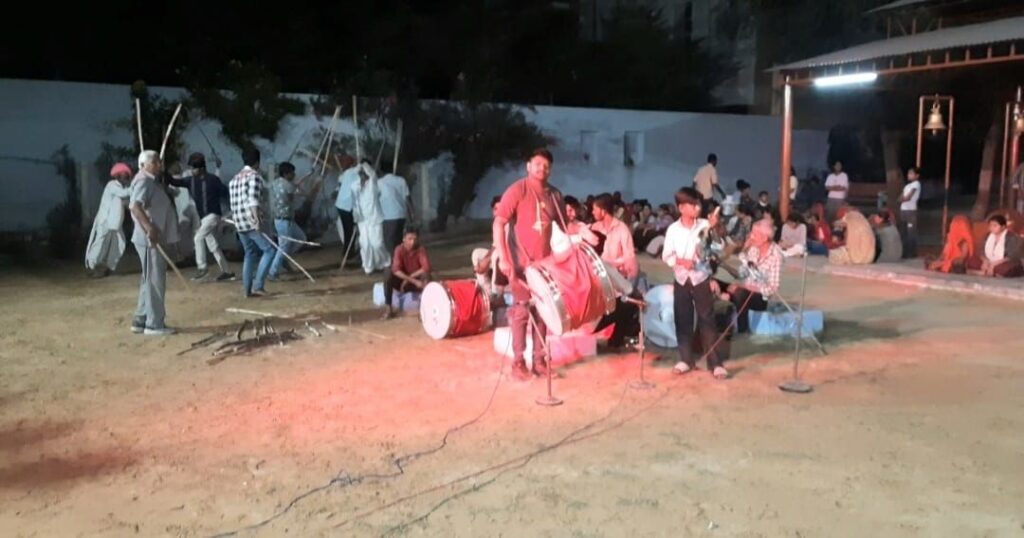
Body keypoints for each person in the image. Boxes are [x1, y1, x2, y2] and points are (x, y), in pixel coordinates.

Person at [493, 148, 564, 380]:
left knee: (544, 312)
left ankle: (540, 361)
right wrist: (504, 258)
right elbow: (499, 223)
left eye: (546, 165)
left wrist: (582, 230)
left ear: (550, 169)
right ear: (528, 166)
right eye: (537, 164)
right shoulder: (517, 190)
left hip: (544, 266)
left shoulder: (555, 195)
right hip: (520, 265)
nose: (542, 168)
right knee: (522, 311)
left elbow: (565, 226)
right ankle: (518, 362)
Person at [662, 187, 727, 380]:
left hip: (701, 278)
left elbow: (718, 248)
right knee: (683, 319)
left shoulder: (705, 225)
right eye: (692, 204)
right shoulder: (673, 229)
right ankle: (685, 359)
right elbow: (667, 255)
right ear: (681, 207)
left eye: (698, 204)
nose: (697, 208)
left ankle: (715, 363)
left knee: (707, 320)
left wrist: (714, 228)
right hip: (682, 279)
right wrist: (682, 261)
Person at [128, 151, 178, 336]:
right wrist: (150, 228)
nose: (159, 164)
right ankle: (154, 324)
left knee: (148, 278)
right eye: (154, 162)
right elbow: (135, 206)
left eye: (159, 161)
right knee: (155, 280)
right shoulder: (143, 181)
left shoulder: (151, 181)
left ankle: (141, 319)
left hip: (152, 238)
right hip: (149, 239)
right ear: (143, 165)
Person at [166, 153, 234, 281]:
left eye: (194, 168)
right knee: (213, 245)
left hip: (213, 215)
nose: (191, 170)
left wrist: (230, 211)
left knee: (198, 238)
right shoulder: (190, 181)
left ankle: (202, 268)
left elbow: (225, 193)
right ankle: (227, 271)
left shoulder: (213, 180)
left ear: (201, 168)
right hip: (204, 219)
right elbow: (174, 181)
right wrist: (163, 172)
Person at [716, 219, 782, 334]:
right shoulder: (753, 249)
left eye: (754, 234)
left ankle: (743, 330)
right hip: (744, 290)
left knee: (740, 293)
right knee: (712, 283)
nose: (750, 236)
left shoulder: (776, 256)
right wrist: (744, 252)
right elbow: (742, 274)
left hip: (760, 298)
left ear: (764, 238)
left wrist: (745, 287)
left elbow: (772, 289)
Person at [229, 147, 275, 298]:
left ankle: (247, 290)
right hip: (250, 221)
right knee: (269, 251)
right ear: (257, 162)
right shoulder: (254, 176)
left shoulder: (234, 179)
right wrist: (256, 219)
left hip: (239, 223)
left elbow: (236, 202)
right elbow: (252, 200)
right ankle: (258, 286)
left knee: (249, 253)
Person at [85, 163, 133, 278]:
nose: (126, 176)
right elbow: (124, 194)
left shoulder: (122, 188)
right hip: (104, 221)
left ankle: (108, 266)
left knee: (119, 243)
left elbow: (127, 202)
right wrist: (136, 186)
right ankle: (91, 266)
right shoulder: (111, 185)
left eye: (127, 174)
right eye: (124, 174)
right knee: (100, 244)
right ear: (117, 175)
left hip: (115, 224)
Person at [267, 162, 306, 281]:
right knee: (284, 247)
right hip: (285, 221)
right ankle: (273, 272)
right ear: (285, 174)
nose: (294, 174)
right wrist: (299, 185)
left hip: (280, 220)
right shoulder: (288, 186)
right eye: (292, 173)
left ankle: (283, 259)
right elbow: (302, 193)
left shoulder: (275, 183)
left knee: (300, 238)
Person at [381, 228, 431, 319]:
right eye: (410, 239)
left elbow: (426, 267)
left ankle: (424, 310)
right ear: (403, 239)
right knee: (387, 272)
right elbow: (396, 270)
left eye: (415, 239)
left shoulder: (421, 249)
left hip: (416, 281)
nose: (412, 242)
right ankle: (388, 308)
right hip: (402, 282)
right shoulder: (399, 249)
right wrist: (411, 280)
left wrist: (409, 279)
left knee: (426, 275)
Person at [351, 162, 391, 274]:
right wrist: (356, 219)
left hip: (375, 219)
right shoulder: (354, 186)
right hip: (362, 220)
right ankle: (368, 266)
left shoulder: (372, 184)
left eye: (364, 173)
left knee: (377, 243)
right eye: (360, 174)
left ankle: (386, 262)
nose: (362, 176)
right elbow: (354, 203)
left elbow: (372, 173)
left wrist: (363, 164)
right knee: (365, 244)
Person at [590, 193, 639, 282]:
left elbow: (629, 256)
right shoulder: (594, 227)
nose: (592, 212)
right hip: (597, 276)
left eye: (594, 209)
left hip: (616, 277)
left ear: (603, 211)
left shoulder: (621, 228)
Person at [473, 196, 509, 298]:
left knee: (496, 255)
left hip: (509, 258)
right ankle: (486, 291)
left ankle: (496, 293)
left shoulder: (509, 223)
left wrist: (486, 261)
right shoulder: (496, 224)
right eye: (496, 209)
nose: (498, 212)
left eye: (501, 209)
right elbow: (495, 245)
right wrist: (484, 260)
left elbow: (502, 247)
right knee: (477, 253)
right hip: (499, 255)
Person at [334, 155, 359, 266]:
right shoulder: (355, 173)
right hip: (347, 205)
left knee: (348, 230)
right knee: (350, 230)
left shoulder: (345, 174)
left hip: (342, 205)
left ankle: (348, 251)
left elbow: (340, 184)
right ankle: (349, 252)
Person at [379, 169, 411, 254]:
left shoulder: (380, 183)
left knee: (389, 241)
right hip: (401, 215)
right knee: (398, 240)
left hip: (388, 216)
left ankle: (394, 259)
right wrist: (412, 214)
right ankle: (399, 258)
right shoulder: (401, 180)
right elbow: (407, 198)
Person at [899, 166, 921, 258]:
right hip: (903, 210)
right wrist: (903, 199)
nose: (909, 175)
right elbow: (901, 197)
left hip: (911, 211)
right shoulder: (907, 186)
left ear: (917, 175)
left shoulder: (916, 184)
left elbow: (908, 197)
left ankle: (912, 253)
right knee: (903, 232)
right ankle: (904, 252)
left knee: (911, 232)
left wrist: (903, 199)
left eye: (911, 173)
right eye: (908, 173)